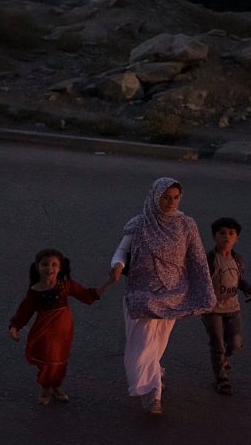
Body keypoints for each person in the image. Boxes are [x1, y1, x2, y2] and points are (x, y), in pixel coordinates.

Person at [107, 177, 216, 415]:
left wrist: (205, 291)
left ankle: (153, 376)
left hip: (172, 294)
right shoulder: (140, 223)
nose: (171, 202)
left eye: (175, 197)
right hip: (141, 294)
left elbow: (197, 259)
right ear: (156, 196)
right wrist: (117, 265)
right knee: (142, 345)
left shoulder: (186, 225)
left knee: (157, 344)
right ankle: (152, 393)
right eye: (166, 197)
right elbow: (121, 251)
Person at [8, 248, 110, 405]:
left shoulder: (65, 286)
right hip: (44, 332)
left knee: (60, 360)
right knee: (49, 360)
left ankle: (55, 386)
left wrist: (109, 282)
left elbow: (87, 295)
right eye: (45, 264)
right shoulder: (34, 291)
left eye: (54, 265)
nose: (49, 268)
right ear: (37, 267)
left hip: (63, 333)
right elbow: (24, 311)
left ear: (60, 268)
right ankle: (45, 388)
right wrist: (15, 326)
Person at [201, 217, 251, 395]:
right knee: (218, 344)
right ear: (214, 236)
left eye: (231, 233)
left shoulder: (238, 260)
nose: (226, 237)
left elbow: (238, 281)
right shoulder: (209, 260)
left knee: (236, 343)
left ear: (237, 238)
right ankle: (222, 379)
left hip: (232, 308)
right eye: (222, 233)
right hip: (212, 309)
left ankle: (222, 360)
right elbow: (200, 281)